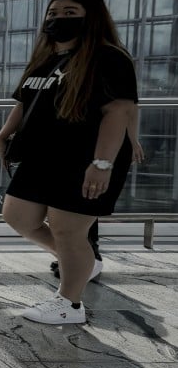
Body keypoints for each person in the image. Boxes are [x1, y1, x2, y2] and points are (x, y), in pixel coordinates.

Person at [0, 0, 138, 325]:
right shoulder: (47, 58)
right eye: (54, 14)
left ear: (92, 17)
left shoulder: (109, 57)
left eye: (70, 13)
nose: (59, 19)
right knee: (18, 217)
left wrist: (102, 164)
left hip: (84, 157)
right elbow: (26, 100)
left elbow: (118, 110)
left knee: (67, 230)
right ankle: (83, 260)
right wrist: (4, 133)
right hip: (42, 155)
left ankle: (69, 304)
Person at [49, 113, 143, 282]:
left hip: (94, 145)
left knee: (84, 200)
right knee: (75, 203)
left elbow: (127, 107)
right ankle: (79, 256)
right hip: (75, 141)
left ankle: (88, 256)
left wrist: (132, 140)